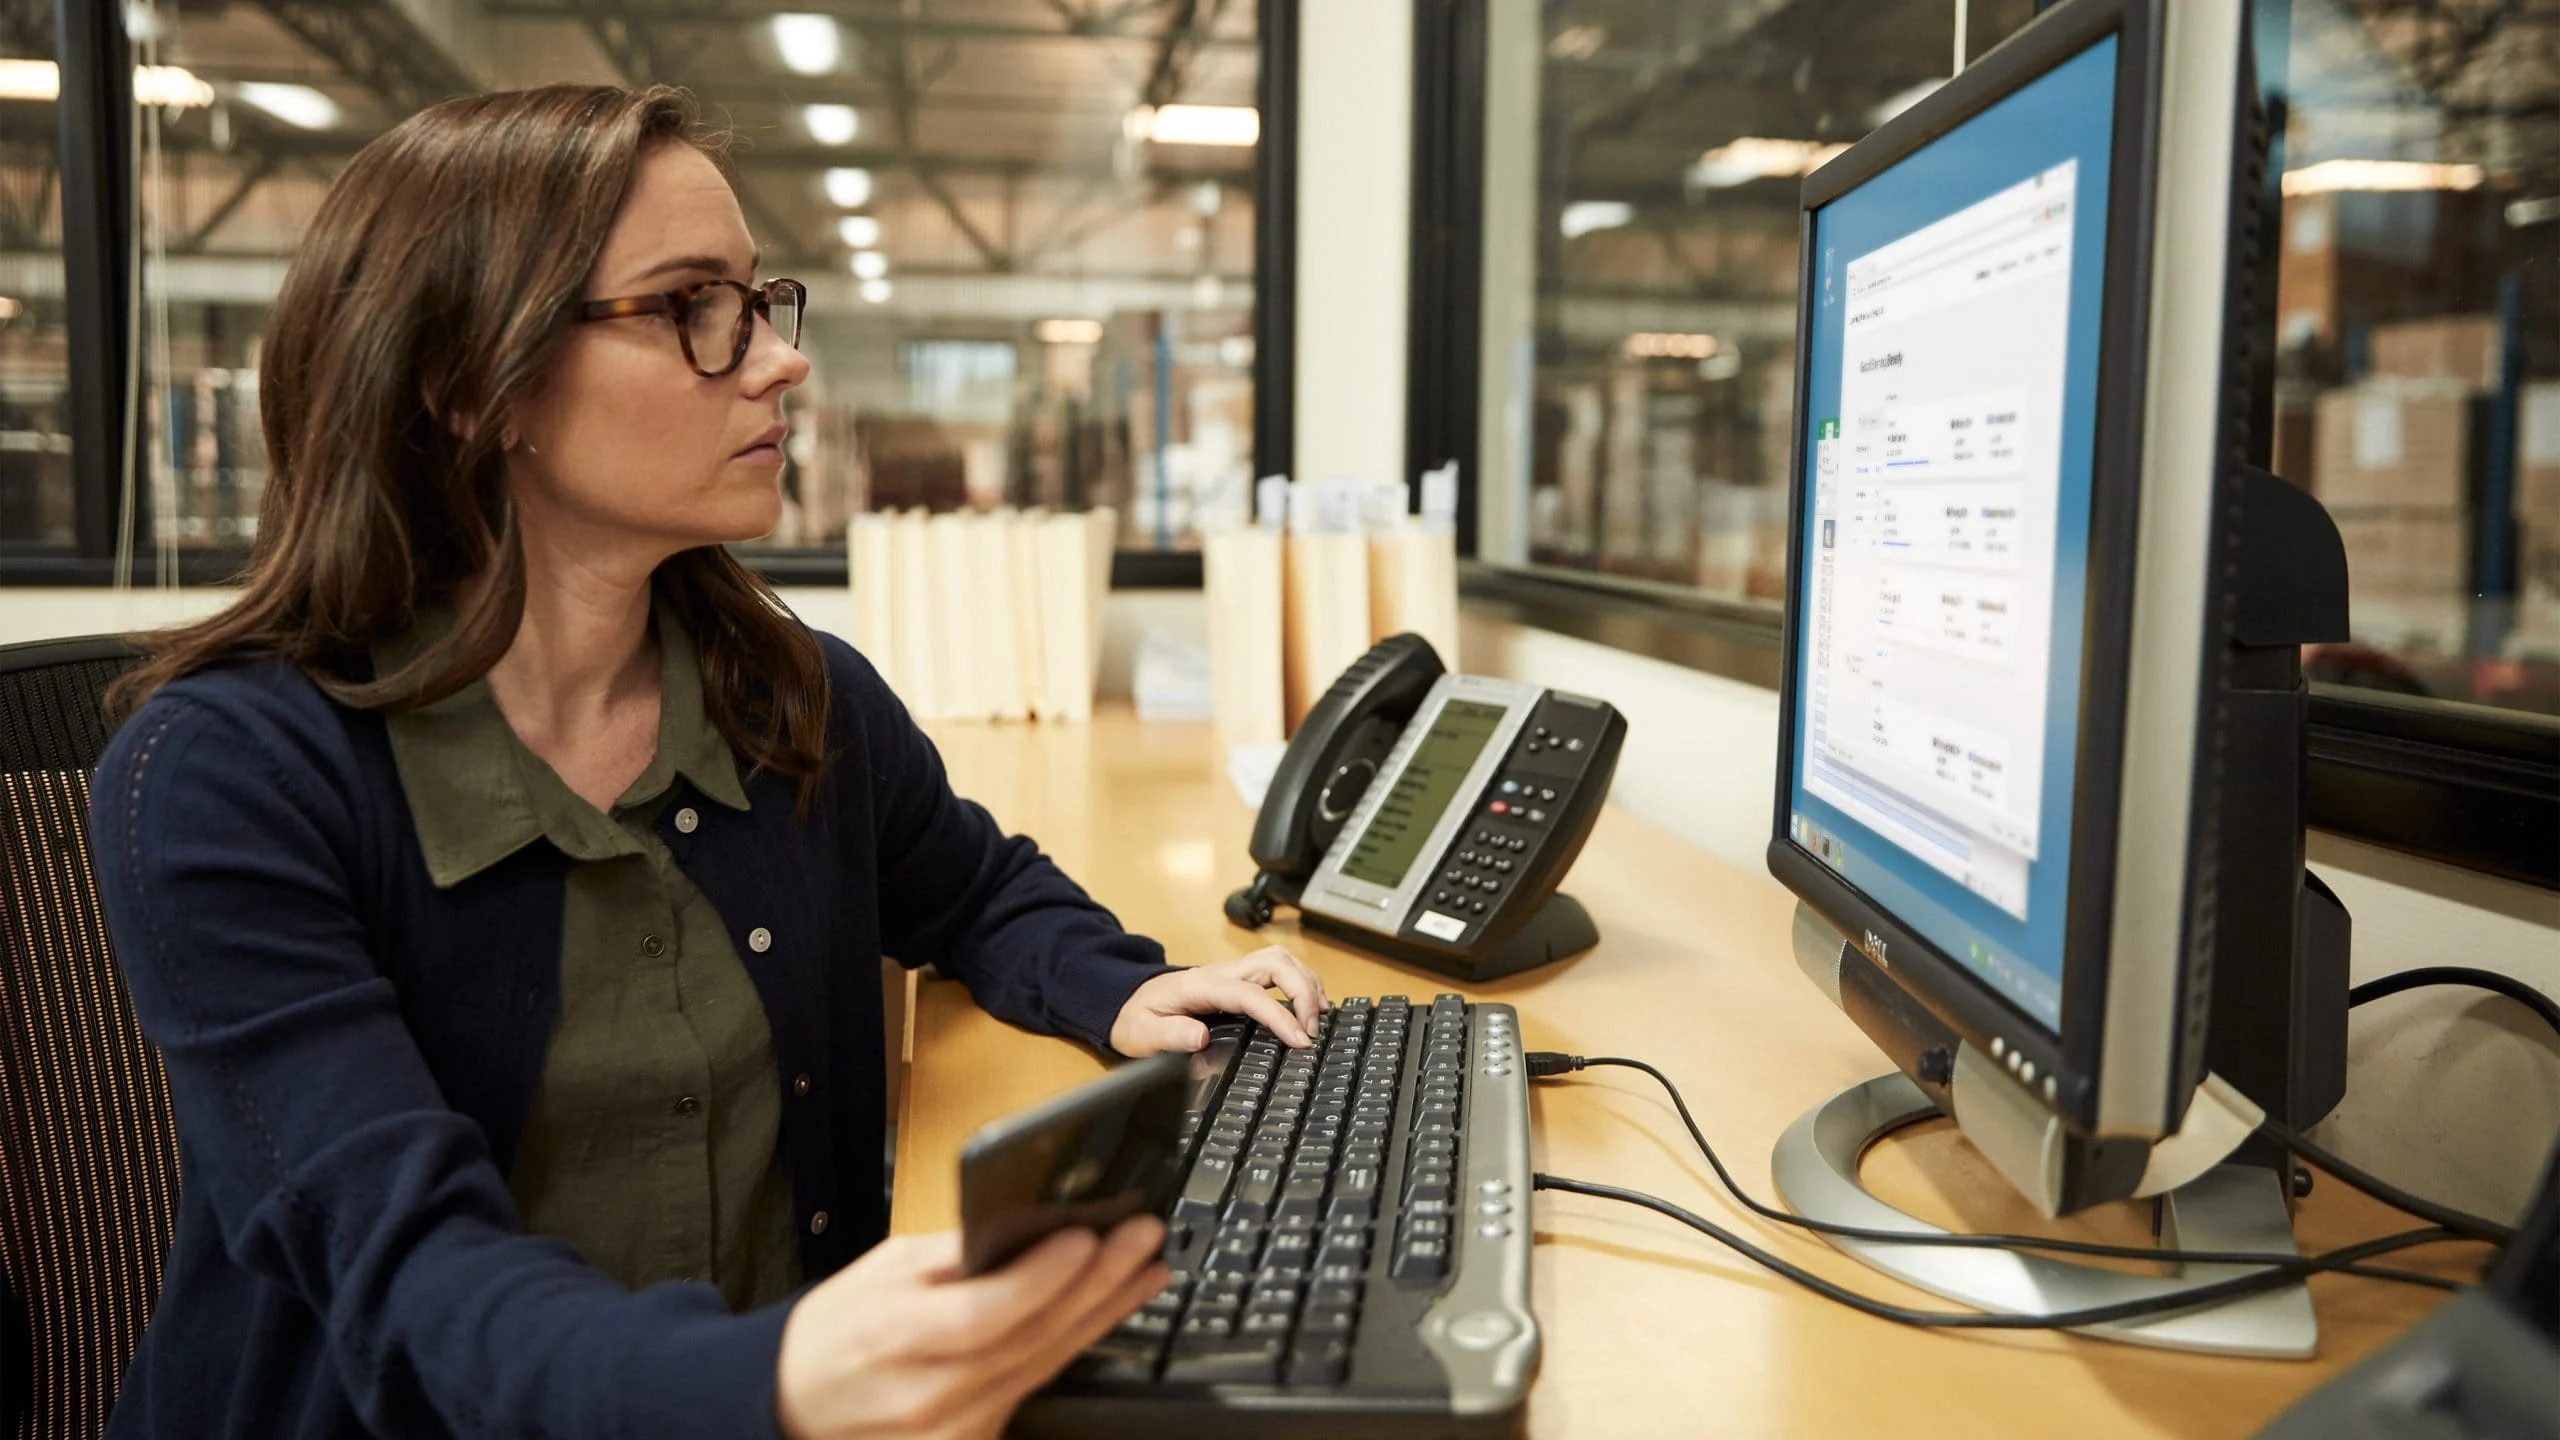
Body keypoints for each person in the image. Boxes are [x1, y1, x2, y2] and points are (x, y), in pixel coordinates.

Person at [90, 84, 1327, 1440]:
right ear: (467, 385)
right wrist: (775, 1379)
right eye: (693, 308)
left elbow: (972, 892)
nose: (780, 363)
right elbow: (408, 1278)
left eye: (757, 300)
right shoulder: (224, 783)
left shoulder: (791, 697)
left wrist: (1123, 986)